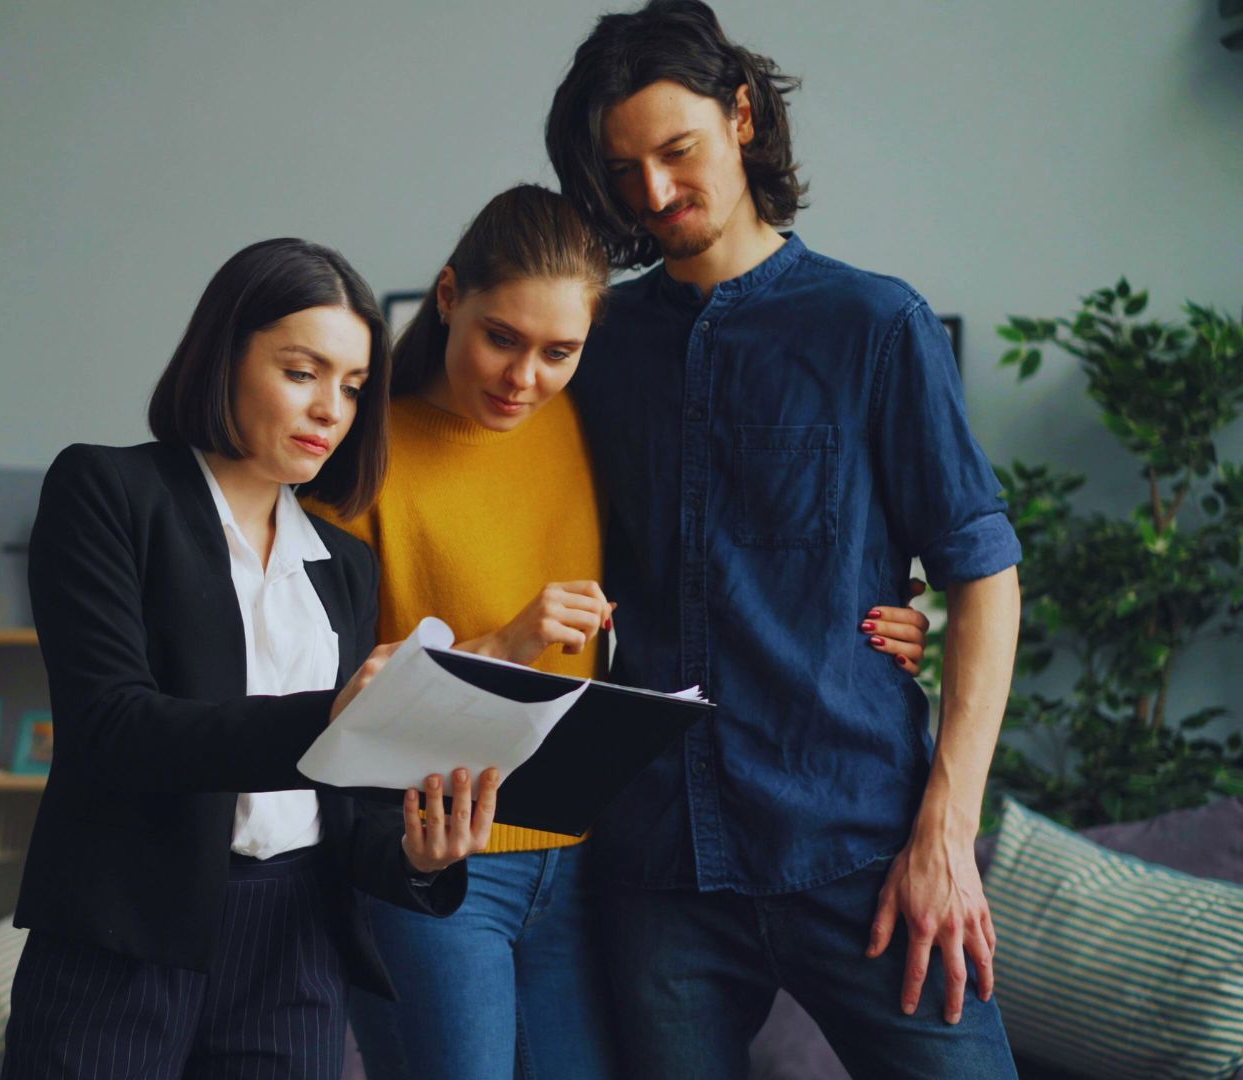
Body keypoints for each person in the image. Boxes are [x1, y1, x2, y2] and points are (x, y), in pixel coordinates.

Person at [315, 185, 937, 1079]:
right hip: (433, 856)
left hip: (577, 862)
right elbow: (331, 706)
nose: (522, 378)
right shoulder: (362, 458)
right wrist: (503, 644)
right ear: (448, 296)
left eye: (558, 351)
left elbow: (716, 546)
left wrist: (886, 612)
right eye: (501, 338)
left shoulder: (582, 422)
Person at [545, 2, 1024, 1076]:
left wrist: (946, 832)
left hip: (856, 844)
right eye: (625, 172)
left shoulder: (875, 327)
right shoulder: (600, 347)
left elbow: (982, 571)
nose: (656, 195)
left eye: (678, 152)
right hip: (660, 862)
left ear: (744, 115)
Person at [3, 237, 501, 1080]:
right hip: (129, 933)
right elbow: (111, 726)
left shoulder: (344, 564)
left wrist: (420, 855)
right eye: (302, 372)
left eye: (350, 387)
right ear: (224, 356)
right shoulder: (106, 493)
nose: (330, 411)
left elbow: (350, 811)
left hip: (297, 943)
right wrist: (334, 715)